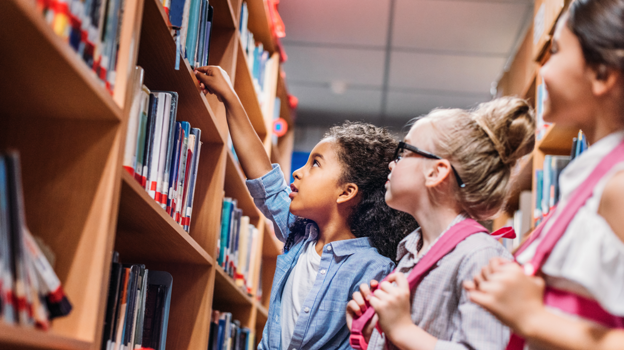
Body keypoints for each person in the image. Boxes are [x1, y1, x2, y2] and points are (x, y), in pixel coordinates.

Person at [195, 66, 418, 350]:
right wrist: (229, 97)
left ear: (346, 192)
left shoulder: (374, 268)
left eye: (315, 164)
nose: (298, 173)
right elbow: (264, 179)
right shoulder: (299, 234)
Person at [464, 0, 624, 349]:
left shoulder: (619, 185)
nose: (545, 70)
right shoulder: (591, 181)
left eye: (555, 50)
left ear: (602, 74)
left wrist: (534, 317)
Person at [347, 96, 536, 350]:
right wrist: (374, 330)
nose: (393, 162)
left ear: (436, 172)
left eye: (404, 151)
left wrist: (402, 330)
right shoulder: (411, 250)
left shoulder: (481, 256)